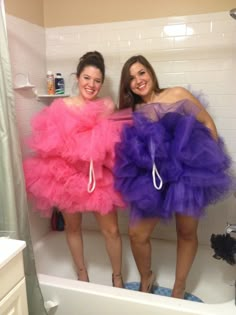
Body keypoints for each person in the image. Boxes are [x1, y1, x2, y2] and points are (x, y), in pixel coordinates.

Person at [114, 55, 234, 298]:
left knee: (187, 233)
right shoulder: (131, 111)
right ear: (127, 86)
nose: (138, 80)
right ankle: (146, 277)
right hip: (153, 179)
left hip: (185, 176)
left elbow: (207, 123)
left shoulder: (177, 94)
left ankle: (178, 289)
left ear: (151, 72)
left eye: (142, 73)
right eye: (131, 78)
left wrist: (205, 163)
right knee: (137, 234)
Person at [23, 51, 124, 288]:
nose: (92, 85)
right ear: (77, 78)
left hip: (98, 177)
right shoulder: (61, 106)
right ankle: (82, 275)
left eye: (97, 80)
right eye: (87, 78)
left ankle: (117, 278)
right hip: (68, 178)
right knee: (73, 227)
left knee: (111, 231)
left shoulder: (107, 105)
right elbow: (50, 145)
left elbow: (113, 141)